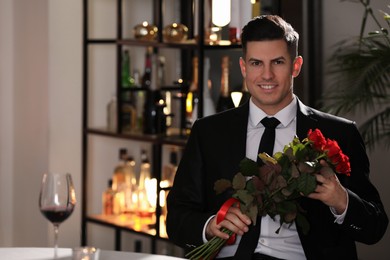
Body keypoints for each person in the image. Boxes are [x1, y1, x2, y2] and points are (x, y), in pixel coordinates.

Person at [166, 15, 388, 260]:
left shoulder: (339, 134)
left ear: (296, 65)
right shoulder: (208, 132)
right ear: (243, 67)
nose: (267, 75)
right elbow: (176, 218)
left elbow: (375, 228)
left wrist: (341, 200)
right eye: (256, 63)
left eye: (278, 62)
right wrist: (209, 226)